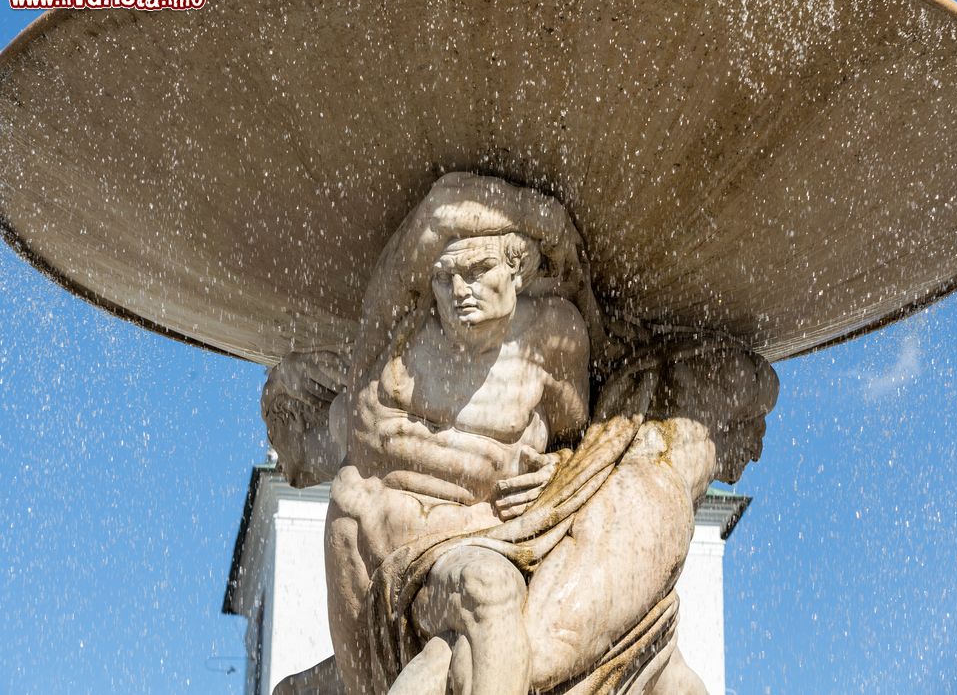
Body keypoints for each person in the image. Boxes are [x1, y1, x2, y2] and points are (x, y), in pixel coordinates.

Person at [265, 173, 778, 695]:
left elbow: (577, 436)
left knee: (488, 596)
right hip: (370, 551)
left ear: (518, 267)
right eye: (446, 277)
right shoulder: (393, 336)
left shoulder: (553, 338)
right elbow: (442, 208)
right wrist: (544, 219)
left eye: (479, 269)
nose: (461, 290)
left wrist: (559, 469)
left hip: (479, 539)